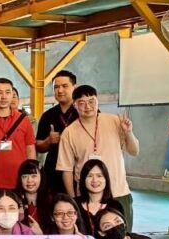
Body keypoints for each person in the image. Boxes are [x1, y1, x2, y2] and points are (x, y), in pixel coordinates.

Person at [57, 85, 139, 230]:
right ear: (74, 105)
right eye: (82, 103)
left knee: (122, 236)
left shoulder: (114, 121)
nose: (87, 106)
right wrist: (74, 199)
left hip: (118, 192)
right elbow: (66, 169)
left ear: (97, 101)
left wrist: (128, 132)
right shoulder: (69, 132)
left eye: (91, 101)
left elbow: (134, 151)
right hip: (87, 197)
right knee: (90, 237)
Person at [0, 78, 35, 210]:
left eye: (8, 92)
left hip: (19, 183)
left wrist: (32, 178)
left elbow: (30, 149)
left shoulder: (23, 120)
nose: (4, 97)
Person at [35, 71, 78, 192]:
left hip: (79, 169)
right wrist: (48, 141)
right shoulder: (48, 115)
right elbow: (38, 146)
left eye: (65, 86)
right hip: (53, 172)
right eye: (56, 87)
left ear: (75, 87)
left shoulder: (83, 112)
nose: (60, 90)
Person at [76, 159, 124, 234]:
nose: (95, 180)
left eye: (99, 176)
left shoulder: (115, 206)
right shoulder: (74, 204)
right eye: (90, 176)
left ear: (106, 179)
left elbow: (121, 234)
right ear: (83, 179)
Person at [15, 159, 49, 234]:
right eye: (24, 176)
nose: (29, 180)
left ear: (42, 177)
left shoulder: (50, 200)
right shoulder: (14, 200)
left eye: (34, 176)